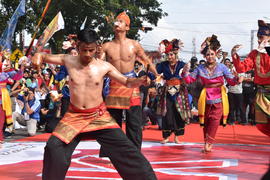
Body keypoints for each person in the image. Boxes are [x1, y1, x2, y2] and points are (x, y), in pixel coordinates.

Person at [31, 29, 157, 180]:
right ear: (77, 46)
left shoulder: (104, 66)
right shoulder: (68, 60)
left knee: (128, 151)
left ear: (97, 48)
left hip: (99, 116)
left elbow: (127, 81)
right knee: (53, 147)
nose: (88, 54)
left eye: (91, 50)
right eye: (84, 50)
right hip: (74, 116)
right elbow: (43, 55)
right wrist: (37, 57)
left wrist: (140, 81)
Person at [99, 11, 158, 150]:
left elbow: (147, 61)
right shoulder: (106, 46)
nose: (117, 23)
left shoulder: (134, 44)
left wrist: (156, 76)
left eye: (121, 21)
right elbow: (98, 64)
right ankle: (113, 152)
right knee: (113, 121)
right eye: (116, 21)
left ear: (127, 27)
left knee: (134, 121)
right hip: (113, 84)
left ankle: (134, 151)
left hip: (131, 84)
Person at [182, 35, 240, 152]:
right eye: (207, 54)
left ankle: (208, 143)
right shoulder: (200, 68)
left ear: (216, 54)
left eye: (212, 54)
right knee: (206, 121)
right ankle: (207, 142)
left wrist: (237, 79)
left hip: (219, 96)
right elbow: (189, 80)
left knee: (214, 120)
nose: (210, 56)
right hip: (205, 97)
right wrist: (185, 72)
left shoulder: (222, 67)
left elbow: (231, 81)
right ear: (204, 56)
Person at [231, 20, 270, 137]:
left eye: (261, 37)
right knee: (263, 125)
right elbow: (241, 68)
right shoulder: (254, 53)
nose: (258, 40)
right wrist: (234, 54)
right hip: (262, 94)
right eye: (258, 37)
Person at [156, 39, 191, 144]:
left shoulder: (181, 64)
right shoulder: (163, 64)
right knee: (167, 113)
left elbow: (187, 76)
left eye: (171, 55)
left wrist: (185, 73)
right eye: (168, 55)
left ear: (176, 54)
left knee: (178, 113)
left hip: (179, 92)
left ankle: (177, 136)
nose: (169, 57)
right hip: (167, 92)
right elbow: (155, 72)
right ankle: (166, 136)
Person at [0, 53, 25, 147]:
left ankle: (0, 139)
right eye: (4, 62)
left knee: (1, 119)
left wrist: (21, 67)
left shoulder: (5, 74)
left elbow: (17, 77)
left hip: (3, 98)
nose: (6, 64)